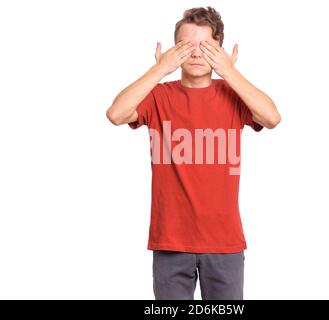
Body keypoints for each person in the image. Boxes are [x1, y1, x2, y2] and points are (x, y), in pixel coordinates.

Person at [106, 6, 281, 300]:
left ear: (221, 50)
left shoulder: (232, 95)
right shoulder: (159, 96)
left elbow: (272, 118)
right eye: (187, 46)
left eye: (207, 47)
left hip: (224, 242)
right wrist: (160, 69)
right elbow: (116, 113)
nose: (197, 54)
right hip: (171, 240)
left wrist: (229, 71)